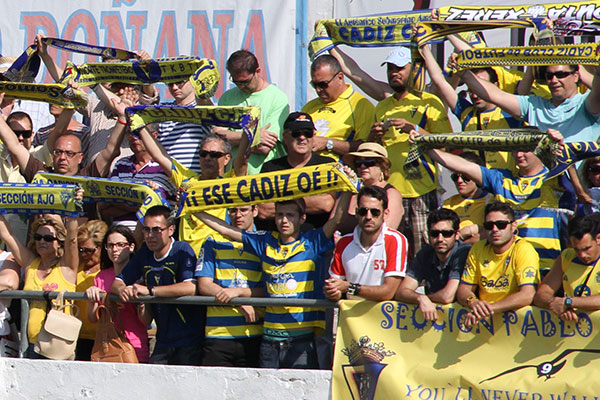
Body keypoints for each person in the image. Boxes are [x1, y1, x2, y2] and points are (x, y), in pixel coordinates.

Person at [197, 180, 352, 369]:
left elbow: (336, 219)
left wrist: (347, 188)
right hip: (269, 339)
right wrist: (192, 209)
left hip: (301, 339)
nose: (284, 220)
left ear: (302, 218)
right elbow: (226, 230)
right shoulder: (265, 241)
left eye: (290, 215)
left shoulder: (313, 241)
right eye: (279, 215)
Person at [422, 129, 566, 274]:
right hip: (508, 267)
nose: (518, 155)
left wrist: (560, 143)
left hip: (545, 266)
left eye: (525, 149)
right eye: (514, 149)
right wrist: (424, 145)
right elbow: (463, 166)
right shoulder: (501, 178)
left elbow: (572, 166)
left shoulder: (553, 177)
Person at [369, 47, 452, 257]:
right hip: (389, 191)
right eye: (390, 69)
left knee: (424, 251)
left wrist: (414, 129)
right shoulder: (382, 106)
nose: (393, 73)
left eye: (399, 68)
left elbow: (445, 145)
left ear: (414, 70)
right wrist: (374, 136)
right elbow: (374, 152)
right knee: (390, 251)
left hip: (421, 189)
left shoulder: (430, 102)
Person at [111, 206, 203, 366]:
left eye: (156, 230)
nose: (150, 235)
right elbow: (117, 282)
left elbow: (191, 288)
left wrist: (151, 291)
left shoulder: (182, 250)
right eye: (146, 230)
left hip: (190, 341)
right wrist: (122, 289)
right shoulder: (145, 253)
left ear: (171, 229)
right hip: (163, 339)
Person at [137, 126, 249, 253]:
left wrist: (249, 127)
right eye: (203, 154)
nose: (207, 158)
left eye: (214, 155)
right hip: (187, 256)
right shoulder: (187, 180)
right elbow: (160, 155)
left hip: (216, 255)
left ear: (227, 159)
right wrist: (139, 126)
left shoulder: (230, 181)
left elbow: (243, 159)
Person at [421, 44, 521, 171]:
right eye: (471, 89)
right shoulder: (466, 112)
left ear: (495, 85)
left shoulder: (510, 112)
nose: (475, 94)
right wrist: (424, 45)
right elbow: (439, 81)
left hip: (503, 186)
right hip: (475, 186)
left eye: (480, 88)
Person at [0, 213, 79, 358]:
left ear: (59, 241)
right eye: (38, 237)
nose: (42, 241)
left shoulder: (67, 267)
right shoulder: (31, 264)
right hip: (31, 344)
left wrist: (74, 214)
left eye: (48, 238)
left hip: (58, 344)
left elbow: (72, 240)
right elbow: (8, 236)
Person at [196, 205, 263, 367]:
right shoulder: (212, 241)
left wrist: (237, 292)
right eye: (233, 210)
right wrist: (239, 301)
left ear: (255, 211)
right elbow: (204, 285)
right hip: (218, 334)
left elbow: (269, 289)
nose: (238, 215)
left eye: (243, 210)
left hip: (253, 333)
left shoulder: (265, 242)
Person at [457, 202, 540, 329]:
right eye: (489, 225)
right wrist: (473, 302)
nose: (495, 229)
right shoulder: (478, 248)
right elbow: (463, 289)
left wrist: (487, 309)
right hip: (486, 323)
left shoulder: (524, 249)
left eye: (501, 225)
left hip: (518, 326)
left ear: (513, 226)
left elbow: (527, 295)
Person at [324, 185, 408, 301]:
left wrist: (350, 287)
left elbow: (388, 292)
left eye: (375, 212)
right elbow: (336, 290)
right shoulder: (343, 243)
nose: (368, 217)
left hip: (382, 316)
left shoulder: (395, 240)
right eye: (363, 211)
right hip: (350, 316)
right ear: (357, 213)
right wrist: (332, 292)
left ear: (386, 213)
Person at [257, 112, 335, 231]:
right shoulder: (270, 168)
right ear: (285, 137)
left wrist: (282, 205)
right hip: (278, 242)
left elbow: (326, 203)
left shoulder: (327, 165)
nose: (302, 137)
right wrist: (310, 201)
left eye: (307, 133)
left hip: (315, 241)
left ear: (314, 136)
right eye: (296, 133)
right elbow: (263, 210)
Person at [216, 49, 290, 174]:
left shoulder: (278, 98)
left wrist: (232, 138)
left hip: (266, 176)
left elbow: (264, 147)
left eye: (245, 81)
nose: (241, 86)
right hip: (234, 176)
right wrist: (255, 136)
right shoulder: (227, 98)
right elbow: (218, 138)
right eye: (236, 82)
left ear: (258, 71)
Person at [85, 225, 149, 362]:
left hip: (135, 344)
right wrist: (92, 297)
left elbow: (145, 320)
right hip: (107, 345)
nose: (115, 249)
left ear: (131, 247)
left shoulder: (141, 276)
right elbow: (92, 317)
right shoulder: (100, 277)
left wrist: (141, 301)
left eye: (120, 245)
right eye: (110, 245)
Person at [395, 208, 471, 321]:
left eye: (446, 234)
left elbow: (447, 296)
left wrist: (426, 299)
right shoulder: (425, 253)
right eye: (434, 233)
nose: (440, 239)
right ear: (428, 235)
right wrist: (420, 298)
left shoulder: (464, 252)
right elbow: (401, 292)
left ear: (457, 235)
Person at [301, 55, 375, 160]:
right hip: (309, 172)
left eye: (323, 84)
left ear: (340, 77)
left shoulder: (360, 105)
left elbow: (366, 147)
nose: (318, 90)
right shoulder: (308, 107)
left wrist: (328, 143)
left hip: (340, 171)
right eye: (314, 85)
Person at [104, 122, 176, 230]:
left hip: (152, 235)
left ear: (154, 136)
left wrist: (123, 204)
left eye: (138, 133)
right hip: (118, 237)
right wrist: (140, 207)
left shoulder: (166, 167)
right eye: (130, 133)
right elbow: (106, 207)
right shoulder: (121, 164)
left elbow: (164, 209)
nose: (133, 137)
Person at [534, 216, 600, 320]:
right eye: (576, 249)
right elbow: (542, 294)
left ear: (598, 239)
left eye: (587, 248)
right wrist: (556, 305)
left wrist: (569, 302)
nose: (582, 255)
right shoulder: (567, 257)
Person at [337, 142, 404, 234]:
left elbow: (386, 232)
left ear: (382, 166)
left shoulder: (391, 194)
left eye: (369, 162)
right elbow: (334, 223)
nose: (363, 166)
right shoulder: (351, 193)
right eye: (358, 163)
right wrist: (348, 186)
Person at [74, 220, 108, 361]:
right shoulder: (76, 268)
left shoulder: (107, 272)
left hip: (101, 339)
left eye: (89, 250)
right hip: (76, 336)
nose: (84, 254)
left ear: (101, 248)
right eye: (80, 250)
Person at [442, 152, 490, 244]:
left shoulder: (491, 200)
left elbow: (491, 234)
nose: (459, 181)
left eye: (465, 176)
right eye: (455, 176)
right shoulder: (446, 204)